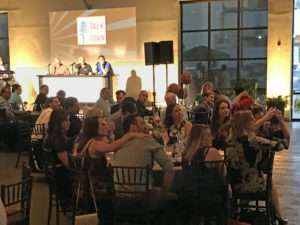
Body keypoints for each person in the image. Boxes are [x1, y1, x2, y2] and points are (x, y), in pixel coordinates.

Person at [226, 110, 288, 224]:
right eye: (251, 119)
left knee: (265, 178)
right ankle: (278, 215)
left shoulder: (230, 141)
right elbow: (282, 145)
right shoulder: (253, 141)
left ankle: (240, 211)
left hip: (233, 186)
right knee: (269, 180)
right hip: (251, 186)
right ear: (245, 124)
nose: (255, 121)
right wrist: (277, 136)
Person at [112, 114, 176, 224]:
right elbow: (170, 168)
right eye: (142, 123)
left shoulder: (118, 144)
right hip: (142, 200)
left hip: (119, 200)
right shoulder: (148, 141)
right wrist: (164, 191)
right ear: (133, 127)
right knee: (172, 199)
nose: (146, 126)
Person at [44, 108, 73, 208]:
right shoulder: (58, 140)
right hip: (62, 181)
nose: (70, 122)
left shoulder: (50, 136)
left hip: (55, 178)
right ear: (59, 122)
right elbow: (68, 165)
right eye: (67, 120)